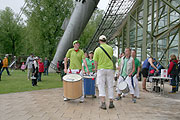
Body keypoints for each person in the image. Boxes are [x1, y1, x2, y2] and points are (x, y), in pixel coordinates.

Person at [93, 35, 115, 109]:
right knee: (110, 85)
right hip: (110, 69)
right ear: (106, 40)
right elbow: (111, 57)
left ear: (99, 41)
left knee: (101, 85)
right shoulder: (110, 48)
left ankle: (103, 103)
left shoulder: (97, 49)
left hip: (101, 69)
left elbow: (95, 61)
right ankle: (111, 102)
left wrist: (96, 69)